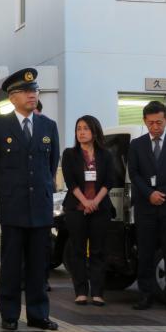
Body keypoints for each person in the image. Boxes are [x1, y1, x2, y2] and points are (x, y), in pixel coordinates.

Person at [0, 68, 60, 331]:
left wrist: (41, 190)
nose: (32, 95)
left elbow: (51, 165)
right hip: (12, 207)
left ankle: (38, 315)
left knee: (39, 265)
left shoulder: (48, 126)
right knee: (12, 264)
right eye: (26, 91)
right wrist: (6, 191)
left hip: (40, 207)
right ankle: (10, 314)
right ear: (12, 97)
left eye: (34, 90)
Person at [128, 100, 166, 313]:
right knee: (144, 253)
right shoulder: (136, 145)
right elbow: (133, 174)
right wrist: (149, 193)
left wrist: (163, 193)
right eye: (151, 123)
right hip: (145, 208)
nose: (156, 127)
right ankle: (145, 295)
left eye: (160, 122)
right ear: (145, 122)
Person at [61, 115, 115, 307]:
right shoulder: (69, 154)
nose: (81, 132)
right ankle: (81, 291)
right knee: (77, 250)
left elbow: (110, 180)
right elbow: (70, 181)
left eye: (85, 128)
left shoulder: (106, 155)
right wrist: (85, 201)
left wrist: (95, 201)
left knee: (99, 250)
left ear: (94, 131)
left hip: (100, 208)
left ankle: (98, 292)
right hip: (76, 208)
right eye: (78, 129)